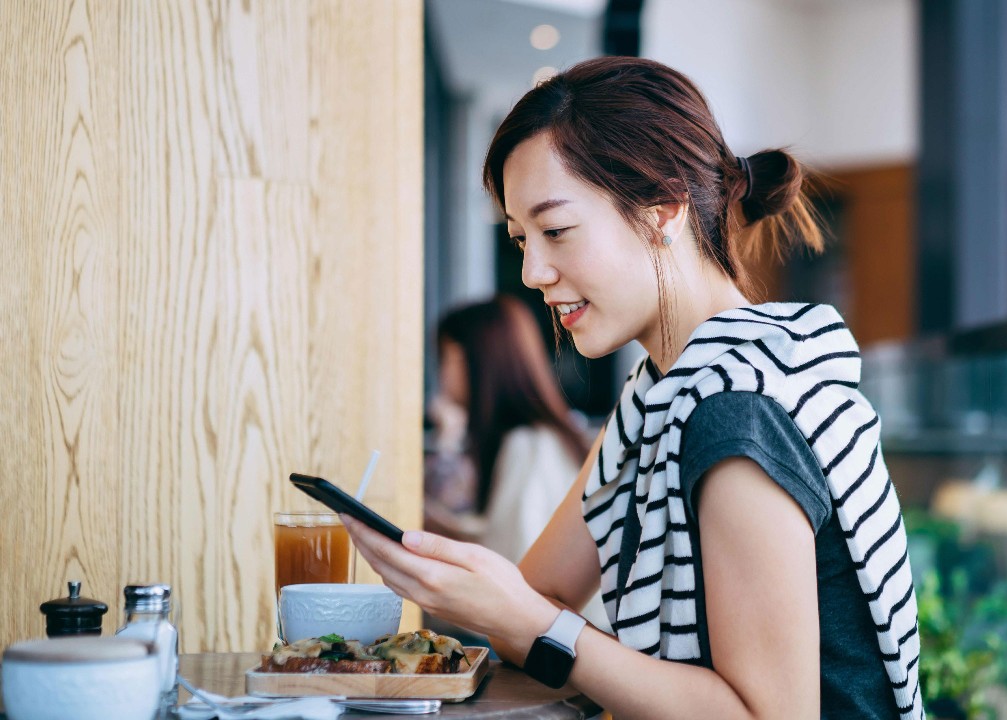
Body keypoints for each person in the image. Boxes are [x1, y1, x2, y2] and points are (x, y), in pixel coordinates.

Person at [345, 56, 922, 719]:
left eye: (556, 230)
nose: (533, 270)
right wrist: (472, 592)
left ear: (663, 209)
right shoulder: (659, 399)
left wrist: (528, 617)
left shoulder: (736, 412)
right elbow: (543, 594)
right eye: (520, 239)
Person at [424, 295, 590, 565]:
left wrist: (446, 441)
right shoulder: (537, 438)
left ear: (477, 360)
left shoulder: (528, 444)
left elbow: (513, 559)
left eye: (445, 357)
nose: (441, 374)